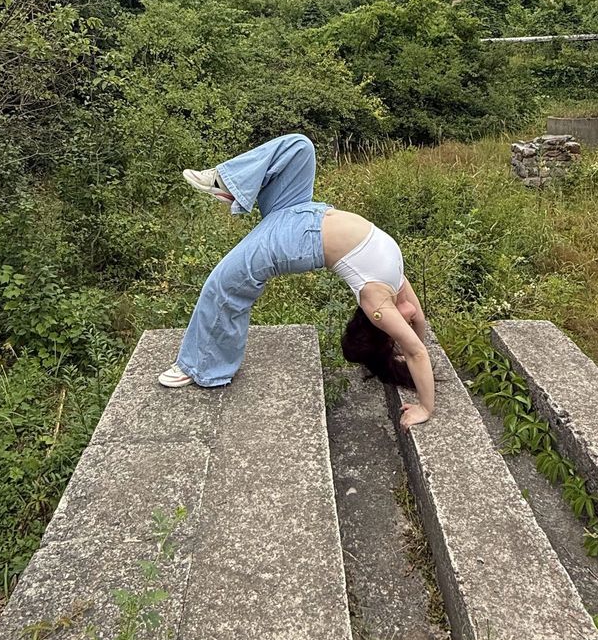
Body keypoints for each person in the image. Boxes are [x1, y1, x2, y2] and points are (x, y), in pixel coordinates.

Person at [158, 133, 435, 429]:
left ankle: (200, 366)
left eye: (402, 327)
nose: (412, 318)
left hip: (297, 239)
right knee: (300, 148)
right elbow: (418, 331)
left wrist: (425, 408)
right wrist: (409, 345)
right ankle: (232, 184)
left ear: (382, 326)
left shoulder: (377, 303)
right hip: (304, 210)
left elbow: (415, 351)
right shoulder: (396, 286)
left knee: (225, 284)